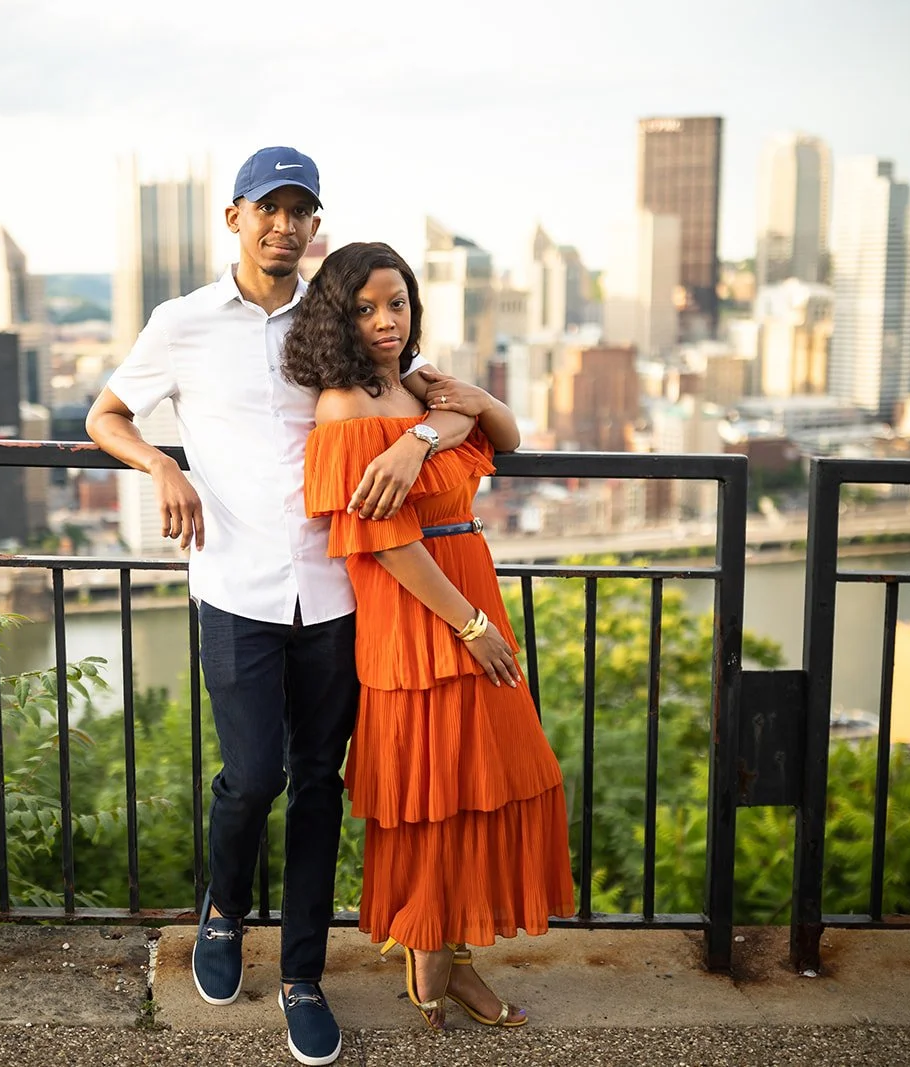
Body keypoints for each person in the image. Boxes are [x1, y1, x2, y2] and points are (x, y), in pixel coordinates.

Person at [85, 149, 474, 1066]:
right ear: (235, 218)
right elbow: (105, 415)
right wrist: (161, 465)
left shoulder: (339, 319)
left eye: (301, 212)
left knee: (318, 788)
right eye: (270, 208)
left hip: (340, 594)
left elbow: (446, 402)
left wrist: (418, 441)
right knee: (252, 776)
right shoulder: (180, 323)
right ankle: (224, 908)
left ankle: (304, 974)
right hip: (235, 587)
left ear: (314, 227)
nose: (284, 226)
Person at [282, 241, 577, 1031]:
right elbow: (382, 537)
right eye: (367, 307)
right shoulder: (343, 405)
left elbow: (504, 434)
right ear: (338, 316)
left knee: (490, 775)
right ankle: (429, 948)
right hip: (421, 609)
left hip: (467, 583)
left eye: (398, 303)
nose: (386, 320)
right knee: (433, 790)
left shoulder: (415, 385)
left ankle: (451, 948)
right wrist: (472, 624)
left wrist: (448, 416)